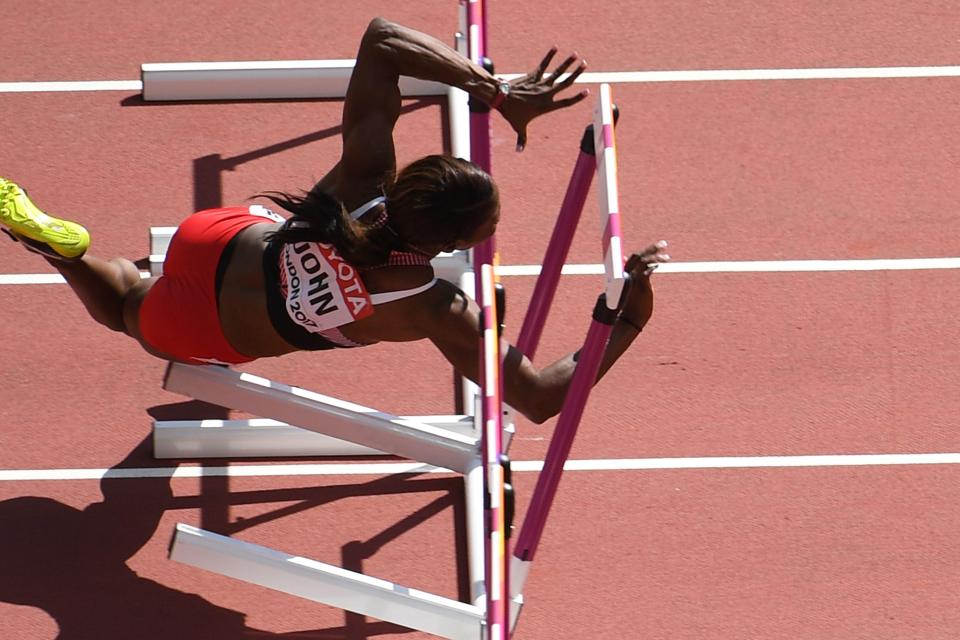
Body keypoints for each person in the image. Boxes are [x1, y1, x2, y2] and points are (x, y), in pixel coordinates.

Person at [0, 17, 669, 424]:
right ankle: (64, 254)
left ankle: (97, 255)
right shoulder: (433, 306)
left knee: (152, 270)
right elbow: (541, 395)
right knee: (124, 310)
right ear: (453, 246)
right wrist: (629, 315)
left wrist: (491, 90)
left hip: (224, 237)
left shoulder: (367, 177)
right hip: (223, 325)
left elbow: (382, 40)